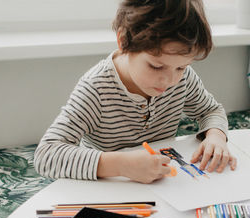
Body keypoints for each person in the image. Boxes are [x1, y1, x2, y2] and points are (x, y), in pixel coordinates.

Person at [34, 0, 237, 183]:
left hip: (163, 186)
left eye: (181, 67)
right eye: (156, 67)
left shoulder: (183, 79)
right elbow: (46, 154)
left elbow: (210, 111)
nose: (170, 80)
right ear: (123, 42)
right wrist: (122, 165)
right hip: (109, 188)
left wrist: (215, 136)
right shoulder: (96, 89)